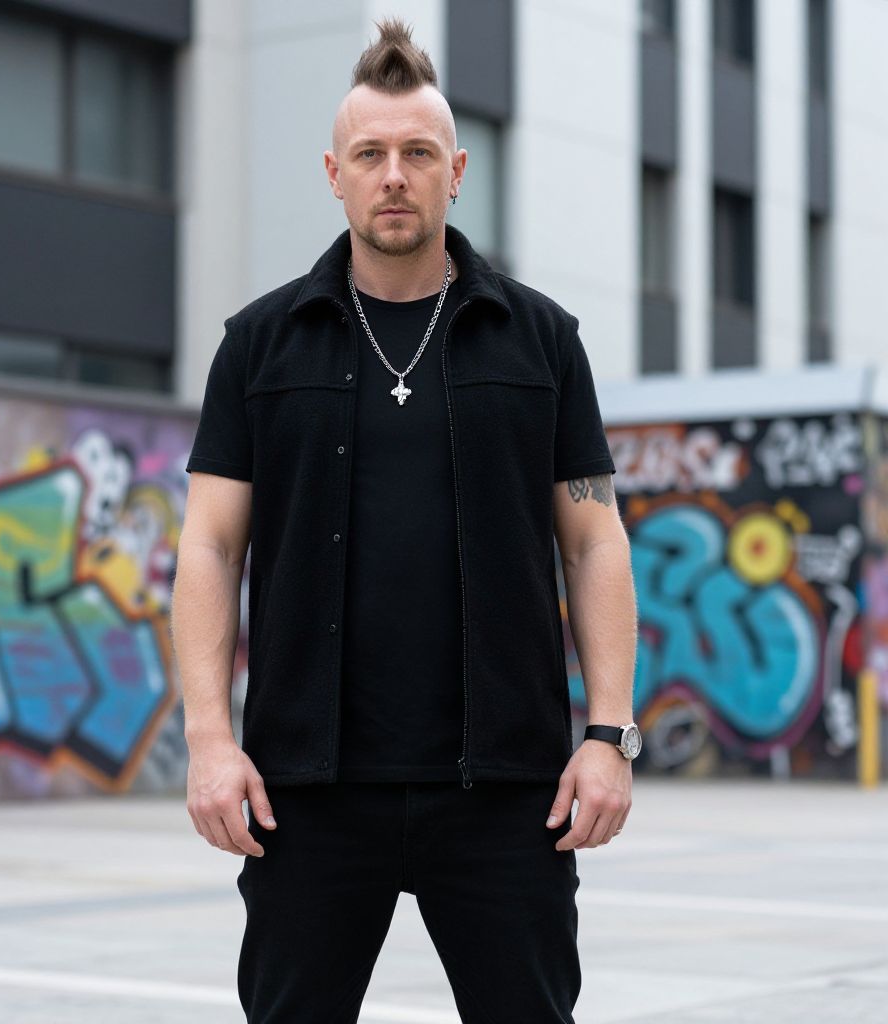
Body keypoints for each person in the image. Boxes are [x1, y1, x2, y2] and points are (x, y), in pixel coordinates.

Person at [172, 16, 639, 1023]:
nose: (395, 174)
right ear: (334, 172)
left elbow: (594, 538)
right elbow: (208, 546)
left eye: (418, 153)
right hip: (306, 790)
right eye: (372, 154)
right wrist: (210, 741)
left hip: (509, 792)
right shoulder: (257, 347)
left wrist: (607, 733)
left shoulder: (542, 340)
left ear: (455, 170)